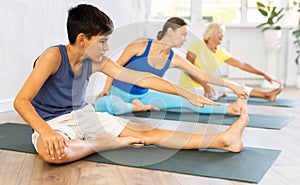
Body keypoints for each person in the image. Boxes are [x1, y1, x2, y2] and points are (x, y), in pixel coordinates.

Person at [14, 4, 248, 164]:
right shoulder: (53, 57)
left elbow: (142, 78)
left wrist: (185, 93)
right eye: (103, 42)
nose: (107, 48)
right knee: (54, 153)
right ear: (82, 40)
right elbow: (21, 101)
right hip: (52, 123)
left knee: (150, 132)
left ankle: (222, 140)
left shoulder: (97, 61)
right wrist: (45, 132)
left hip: (84, 117)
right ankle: (105, 143)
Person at [95, 17, 248, 116]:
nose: (185, 39)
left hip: (144, 96)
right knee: (102, 104)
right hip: (119, 92)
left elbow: (200, 74)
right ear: (169, 31)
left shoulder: (174, 58)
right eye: (183, 34)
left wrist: (231, 85)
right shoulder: (141, 44)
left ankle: (230, 109)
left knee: (189, 99)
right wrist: (106, 89)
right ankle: (135, 107)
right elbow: (114, 67)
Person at [179, 22, 283, 101]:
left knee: (231, 85)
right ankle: (218, 93)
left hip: (208, 86)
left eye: (223, 34)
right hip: (190, 87)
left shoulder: (220, 52)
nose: (222, 36)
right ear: (211, 33)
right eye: (220, 33)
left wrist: (263, 74)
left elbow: (241, 65)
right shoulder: (197, 45)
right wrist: (205, 86)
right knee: (215, 94)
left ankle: (266, 95)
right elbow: (187, 69)